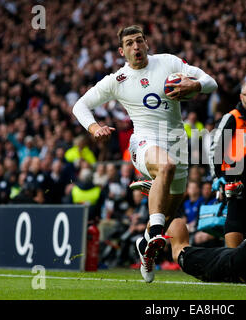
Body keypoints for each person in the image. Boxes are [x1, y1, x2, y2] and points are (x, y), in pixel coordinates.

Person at [72, 25, 217, 283]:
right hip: (144, 142)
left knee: (168, 209)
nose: (135, 46)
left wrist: (193, 85)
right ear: (122, 51)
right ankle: (158, 230)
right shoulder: (117, 80)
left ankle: (146, 244)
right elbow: (80, 105)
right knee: (166, 167)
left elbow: (211, 82)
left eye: (139, 41)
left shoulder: (169, 63)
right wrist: (94, 128)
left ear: (147, 43)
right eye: (129, 43)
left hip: (177, 142)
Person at [209, 80, 246, 248]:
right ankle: (233, 260)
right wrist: (217, 177)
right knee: (235, 217)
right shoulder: (232, 117)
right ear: (241, 96)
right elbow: (216, 147)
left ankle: (245, 263)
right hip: (233, 176)